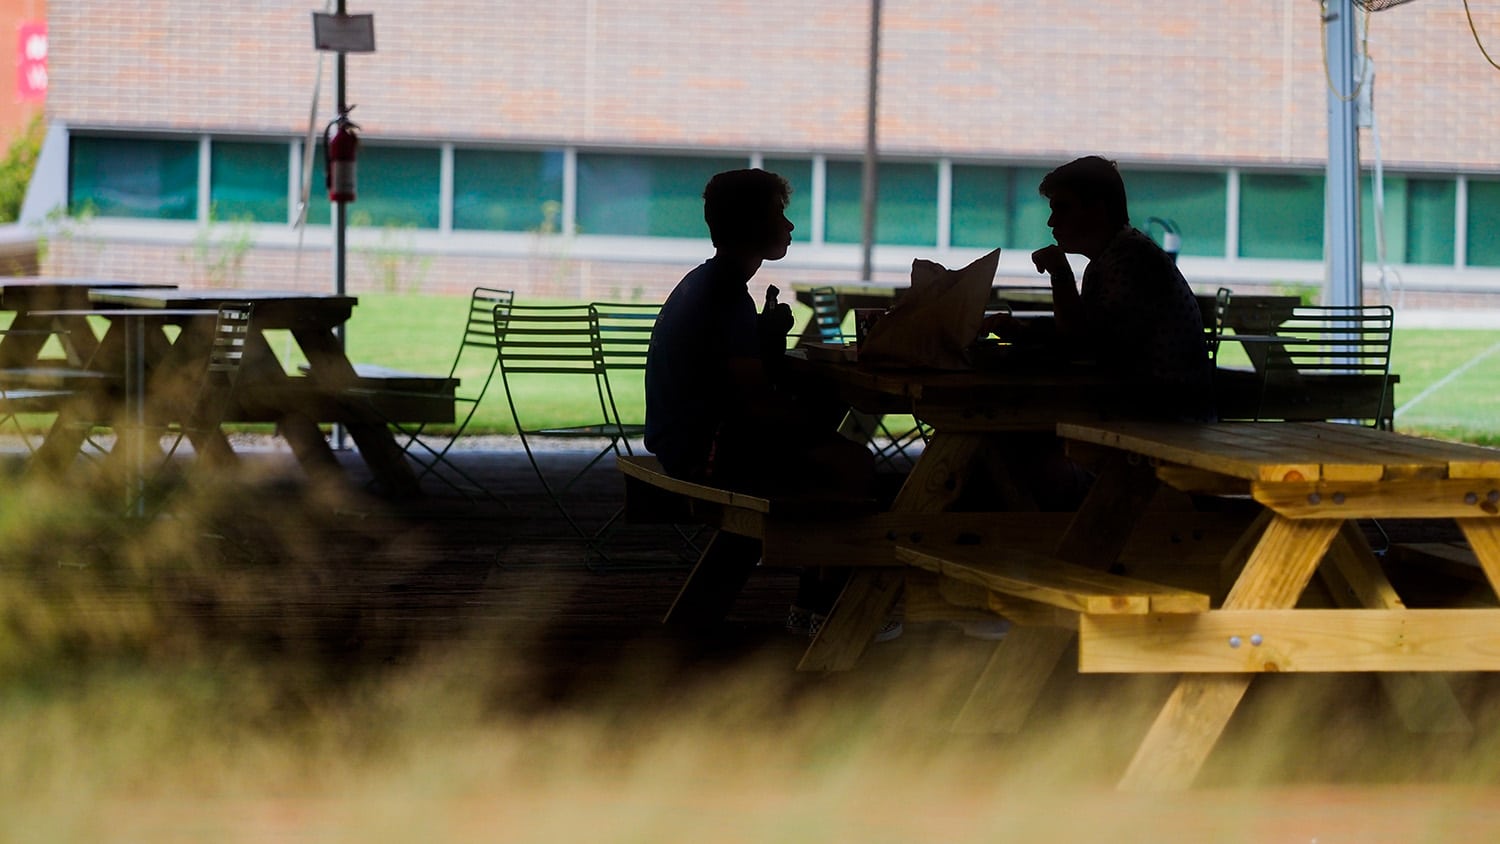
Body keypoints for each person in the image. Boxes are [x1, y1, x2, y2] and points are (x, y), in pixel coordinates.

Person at [645, 168, 894, 640]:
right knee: (851, 464)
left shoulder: (709, 283)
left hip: (681, 440)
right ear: (752, 223)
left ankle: (815, 602)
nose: (790, 226)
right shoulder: (725, 294)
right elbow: (755, 403)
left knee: (829, 449)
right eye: (780, 214)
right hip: (704, 452)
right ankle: (835, 606)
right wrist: (814, 424)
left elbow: (726, 371)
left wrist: (763, 338)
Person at [986, 155, 1216, 422]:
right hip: (1157, 413)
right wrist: (1024, 331)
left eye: (1062, 208)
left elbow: (1081, 344)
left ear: (1097, 209)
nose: (1051, 222)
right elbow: (1091, 332)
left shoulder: (1130, 260)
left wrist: (1060, 273)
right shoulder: (1119, 254)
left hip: (1163, 423)